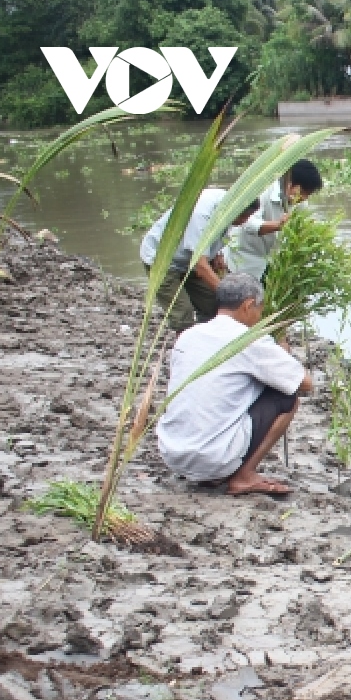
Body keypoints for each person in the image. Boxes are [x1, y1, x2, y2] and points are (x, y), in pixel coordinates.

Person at [157, 273, 312, 497]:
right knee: (286, 397)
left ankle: (214, 470)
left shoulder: (188, 335)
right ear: (248, 306)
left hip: (173, 453)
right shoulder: (248, 340)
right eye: (260, 310)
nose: (260, 317)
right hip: (211, 457)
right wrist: (281, 351)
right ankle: (243, 477)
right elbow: (304, 383)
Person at [139, 189, 261, 330]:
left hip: (189, 260)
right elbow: (201, 267)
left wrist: (217, 253)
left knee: (214, 306)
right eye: (243, 217)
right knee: (183, 315)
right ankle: (186, 348)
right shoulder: (201, 214)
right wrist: (231, 296)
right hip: (161, 259)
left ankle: (209, 344)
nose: (244, 221)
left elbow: (213, 237)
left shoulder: (228, 203)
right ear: (234, 210)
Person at [226, 159, 324, 281]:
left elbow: (302, 232)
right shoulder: (263, 190)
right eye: (303, 192)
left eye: (308, 195)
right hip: (244, 259)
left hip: (272, 261)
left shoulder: (300, 202)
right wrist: (278, 225)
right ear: (290, 183)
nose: (304, 198)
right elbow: (248, 223)